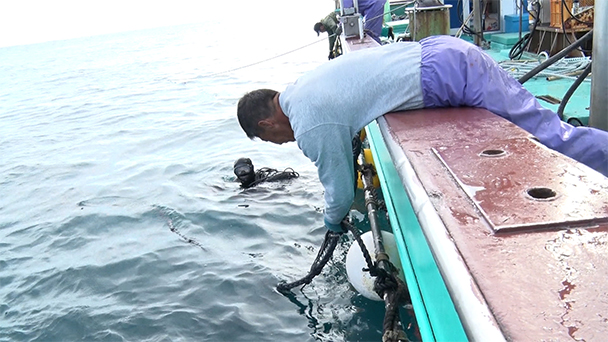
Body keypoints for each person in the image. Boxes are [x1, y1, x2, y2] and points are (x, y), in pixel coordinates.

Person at [236, 35, 608, 233]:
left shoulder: (309, 123)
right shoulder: (300, 89)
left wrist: (331, 223)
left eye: (270, 139)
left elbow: (339, 189)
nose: (280, 143)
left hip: (449, 72)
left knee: (550, 139)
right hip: (440, 57)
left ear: (267, 124)